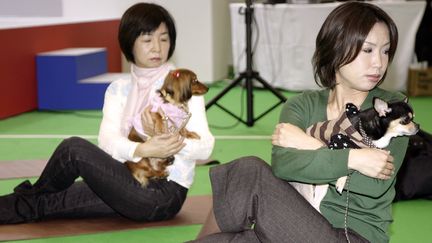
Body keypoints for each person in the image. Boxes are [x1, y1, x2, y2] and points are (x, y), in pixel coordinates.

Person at [190, 2, 407, 243]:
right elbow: (284, 164)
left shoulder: (393, 108)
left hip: (353, 237)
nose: (378, 62)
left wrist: (309, 144)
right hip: (292, 226)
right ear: (336, 47)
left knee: (250, 170)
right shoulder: (301, 106)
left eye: (385, 51)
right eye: (368, 50)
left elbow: (373, 183)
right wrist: (356, 159)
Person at [0, 2, 214, 224]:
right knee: (46, 203)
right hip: (124, 179)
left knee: (74, 149)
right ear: (130, 43)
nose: (157, 48)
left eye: (164, 38)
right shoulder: (118, 89)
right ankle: (31, 196)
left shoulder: (185, 86)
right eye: (147, 40)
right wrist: (142, 148)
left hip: (161, 194)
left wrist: (169, 142)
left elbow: (205, 147)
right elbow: (107, 142)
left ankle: (32, 192)